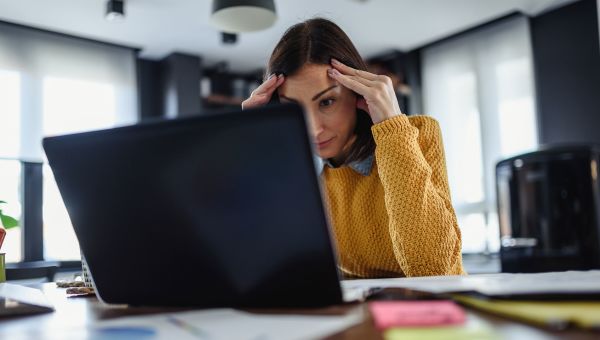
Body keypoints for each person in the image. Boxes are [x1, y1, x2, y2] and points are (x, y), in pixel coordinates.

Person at [242, 18, 465, 278]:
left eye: (326, 102)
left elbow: (433, 271)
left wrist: (393, 129)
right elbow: (265, 268)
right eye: (294, 108)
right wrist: (251, 145)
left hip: (442, 310)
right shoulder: (296, 168)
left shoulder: (418, 134)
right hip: (362, 313)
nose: (313, 129)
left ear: (357, 93)